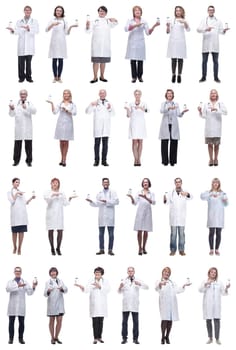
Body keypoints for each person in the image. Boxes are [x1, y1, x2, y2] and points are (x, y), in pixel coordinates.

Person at [155, 267, 191, 344]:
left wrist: (184, 285)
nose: (166, 273)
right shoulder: (159, 281)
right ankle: (162, 337)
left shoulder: (172, 282)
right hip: (164, 303)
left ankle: (167, 336)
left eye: (168, 272)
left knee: (170, 320)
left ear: (169, 274)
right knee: (164, 319)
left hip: (172, 303)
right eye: (165, 271)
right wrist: (161, 284)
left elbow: (177, 290)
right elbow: (157, 288)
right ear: (162, 272)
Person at [75, 267, 110, 344]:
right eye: (96, 272)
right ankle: (95, 338)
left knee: (101, 322)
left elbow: (108, 290)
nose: (97, 274)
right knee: (95, 322)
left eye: (99, 272)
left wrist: (99, 286)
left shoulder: (105, 281)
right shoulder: (91, 280)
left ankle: (100, 337)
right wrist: (81, 287)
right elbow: (87, 290)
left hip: (102, 305)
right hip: (94, 305)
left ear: (102, 274)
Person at [125, 5, 159, 82]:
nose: (137, 11)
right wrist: (136, 25)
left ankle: (140, 76)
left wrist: (154, 26)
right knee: (133, 60)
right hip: (132, 43)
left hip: (140, 43)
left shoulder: (144, 21)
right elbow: (126, 29)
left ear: (141, 12)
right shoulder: (130, 20)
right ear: (133, 12)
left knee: (140, 60)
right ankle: (134, 77)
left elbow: (148, 33)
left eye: (139, 10)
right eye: (135, 10)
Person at [86, 178, 119, 255]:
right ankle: (101, 249)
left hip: (110, 216)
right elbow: (97, 204)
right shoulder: (99, 193)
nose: (106, 183)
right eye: (104, 182)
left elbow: (117, 202)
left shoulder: (113, 192)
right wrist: (91, 201)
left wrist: (107, 201)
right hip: (102, 217)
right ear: (102, 183)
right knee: (101, 234)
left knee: (111, 234)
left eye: (107, 182)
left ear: (109, 183)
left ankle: (110, 250)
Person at [44, 178, 76, 255]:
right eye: (53, 183)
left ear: (59, 184)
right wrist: (53, 194)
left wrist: (70, 198)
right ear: (51, 184)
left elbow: (65, 203)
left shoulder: (62, 192)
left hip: (59, 214)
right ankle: (52, 248)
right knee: (50, 230)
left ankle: (58, 248)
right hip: (51, 214)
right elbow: (47, 200)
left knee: (60, 231)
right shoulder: (47, 192)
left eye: (56, 183)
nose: (55, 184)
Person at [197, 5, 230, 83]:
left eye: (212, 10)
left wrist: (224, 30)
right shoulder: (203, 20)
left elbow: (221, 32)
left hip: (215, 44)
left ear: (214, 11)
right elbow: (198, 30)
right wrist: (206, 29)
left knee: (216, 61)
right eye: (209, 10)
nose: (211, 11)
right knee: (204, 61)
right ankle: (203, 77)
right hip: (206, 44)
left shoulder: (218, 21)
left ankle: (216, 77)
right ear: (207, 11)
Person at [6, 6, 39, 82]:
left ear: (31, 11)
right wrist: (12, 30)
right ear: (24, 11)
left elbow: (37, 31)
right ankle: (21, 78)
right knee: (21, 63)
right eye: (26, 10)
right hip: (21, 45)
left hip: (30, 46)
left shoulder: (34, 21)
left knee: (28, 63)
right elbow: (17, 31)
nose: (27, 11)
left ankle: (28, 77)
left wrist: (28, 29)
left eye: (29, 10)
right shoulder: (19, 21)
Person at [86, 6, 118, 83]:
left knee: (103, 62)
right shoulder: (94, 21)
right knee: (96, 61)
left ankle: (102, 76)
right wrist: (87, 26)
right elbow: (88, 31)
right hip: (96, 45)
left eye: (103, 11)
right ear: (98, 12)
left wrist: (114, 19)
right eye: (100, 11)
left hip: (105, 45)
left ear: (106, 13)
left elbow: (115, 24)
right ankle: (95, 77)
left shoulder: (108, 21)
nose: (101, 12)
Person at [46, 6, 78, 82]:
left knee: (60, 60)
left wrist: (71, 27)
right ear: (55, 11)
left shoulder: (64, 21)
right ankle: (55, 77)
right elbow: (46, 30)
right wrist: (52, 25)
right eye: (57, 10)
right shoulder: (52, 20)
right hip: (54, 42)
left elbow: (67, 33)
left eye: (60, 11)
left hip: (61, 43)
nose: (58, 12)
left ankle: (59, 77)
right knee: (54, 59)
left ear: (62, 12)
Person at [6, 266, 37, 344]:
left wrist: (33, 287)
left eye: (19, 271)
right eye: (16, 271)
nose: (17, 272)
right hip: (12, 306)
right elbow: (7, 289)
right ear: (14, 272)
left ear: (21, 272)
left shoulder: (25, 282)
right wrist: (18, 286)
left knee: (22, 323)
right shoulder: (10, 281)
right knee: (11, 323)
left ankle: (21, 338)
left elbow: (29, 293)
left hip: (21, 306)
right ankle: (11, 338)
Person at [199, 267, 230, 345]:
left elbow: (224, 293)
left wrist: (226, 288)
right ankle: (210, 338)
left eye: (215, 272)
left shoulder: (219, 282)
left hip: (216, 306)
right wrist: (206, 284)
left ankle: (217, 338)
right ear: (209, 273)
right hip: (208, 305)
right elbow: (200, 290)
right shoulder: (205, 281)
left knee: (217, 321)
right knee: (208, 321)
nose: (213, 273)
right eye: (212, 272)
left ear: (216, 274)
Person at [118, 266, 148, 344]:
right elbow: (119, 292)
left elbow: (147, 287)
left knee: (136, 322)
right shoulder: (123, 280)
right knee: (124, 322)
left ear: (134, 272)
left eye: (132, 271)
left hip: (134, 305)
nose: (130, 272)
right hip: (126, 305)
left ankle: (135, 339)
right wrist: (120, 287)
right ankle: (124, 338)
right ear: (127, 272)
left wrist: (140, 284)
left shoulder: (138, 279)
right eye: (129, 271)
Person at [47, 89, 77, 166]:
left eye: (67, 94)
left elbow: (75, 113)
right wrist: (51, 103)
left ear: (70, 95)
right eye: (64, 94)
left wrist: (67, 111)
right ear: (63, 95)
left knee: (66, 141)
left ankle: (64, 159)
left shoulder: (72, 104)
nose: (66, 95)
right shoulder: (60, 103)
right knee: (61, 141)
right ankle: (61, 158)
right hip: (60, 124)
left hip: (68, 124)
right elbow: (54, 112)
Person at [198, 89, 227, 166]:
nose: (213, 94)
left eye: (214, 93)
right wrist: (200, 111)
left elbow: (225, 112)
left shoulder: (220, 103)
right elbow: (204, 116)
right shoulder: (206, 104)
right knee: (210, 144)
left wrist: (216, 109)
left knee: (217, 144)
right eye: (211, 93)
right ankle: (211, 159)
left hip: (217, 127)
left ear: (217, 95)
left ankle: (216, 159)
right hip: (209, 128)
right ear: (210, 95)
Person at [159, 89, 188, 166]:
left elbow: (179, 114)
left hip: (173, 124)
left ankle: (172, 161)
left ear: (172, 95)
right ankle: (165, 161)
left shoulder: (176, 104)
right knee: (164, 143)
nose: (169, 95)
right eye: (168, 94)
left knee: (174, 143)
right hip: (165, 124)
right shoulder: (163, 103)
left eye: (171, 94)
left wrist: (183, 112)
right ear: (166, 95)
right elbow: (161, 111)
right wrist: (168, 108)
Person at [163, 178, 192, 256]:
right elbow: (166, 203)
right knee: (173, 235)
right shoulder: (170, 193)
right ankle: (173, 250)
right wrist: (165, 199)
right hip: (173, 218)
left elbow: (191, 197)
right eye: (176, 182)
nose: (178, 183)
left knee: (182, 234)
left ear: (181, 183)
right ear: (174, 183)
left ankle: (181, 250)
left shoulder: (185, 191)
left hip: (182, 217)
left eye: (179, 182)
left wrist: (187, 194)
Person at [85, 89, 114, 166]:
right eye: (101, 93)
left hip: (106, 128)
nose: (102, 94)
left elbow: (113, 114)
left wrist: (110, 108)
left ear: (106, 94)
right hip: (97, 127)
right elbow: (87, 112)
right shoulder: (95, 103)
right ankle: (96, 161)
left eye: (104, 93)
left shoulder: (109, 103)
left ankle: (104, 161)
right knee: (97, 145)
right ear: (99, 94)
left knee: (105, 145)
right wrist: (91, 105)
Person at [127, 178, 155, 255]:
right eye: (144, 182)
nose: (145, 183)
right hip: (140, 212)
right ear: (142, 184)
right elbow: (135, 203)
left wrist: (145, 197)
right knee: (139, 230)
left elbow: (154, 202)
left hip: (148, 213)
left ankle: (144, 247)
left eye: (146, 182)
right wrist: (131, 197)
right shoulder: (139, 192)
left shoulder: (151, 193)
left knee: (146, 231)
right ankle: (140, 248)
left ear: (149, 183)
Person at [7, 178, 35, 255]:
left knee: (21, 232)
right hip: (15, 216)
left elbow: (25, 202)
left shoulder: (21, 193)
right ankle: (15, 247)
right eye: (16, 182)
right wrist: (16, 194)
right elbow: (12, 201)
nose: (18, 183)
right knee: (14, 232)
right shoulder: (9, 192)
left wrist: (31, 198)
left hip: (22, 216)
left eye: (19, 182)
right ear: (12, 183)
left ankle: (19, 248)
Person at [200, 178, 228, 255]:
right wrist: (211, 194)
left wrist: (225, 200)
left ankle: (217, 249)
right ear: (212, 184)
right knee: (211, 232)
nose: (215, 184)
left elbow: (226, 204)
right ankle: (211, 249)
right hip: (211, 216)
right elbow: (202, 197)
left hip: (219, 217)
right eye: (214, 183)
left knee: (219, 233)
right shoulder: (208, 193)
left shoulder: (223, 193)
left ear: (219, 184)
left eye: (217, 183)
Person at [9, 89, 37, 167]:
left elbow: (34, 111)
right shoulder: (16, 104)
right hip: (19, 128)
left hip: (28, 129)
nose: (23, 95)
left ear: (26, 95)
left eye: (24, 94)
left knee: (28, 146)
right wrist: (11, 109)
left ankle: (29, 161)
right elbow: (11, 115)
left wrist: (26, 108)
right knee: (17, 145)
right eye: (21, 94)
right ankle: (16, 161)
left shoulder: (29, 103)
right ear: (19, 95)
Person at [124, 89, 149, 166]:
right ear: (134, 95)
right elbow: (128, 115)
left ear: (140, 95)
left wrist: (142, 108)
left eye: (138, 94)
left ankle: (139, 159)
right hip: (134, 123)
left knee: (140, 141)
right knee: (134, 141)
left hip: (141, 124)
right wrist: (127, 109)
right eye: (136, 94)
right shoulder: (131, 104)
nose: (137, 95)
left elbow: (147, 111)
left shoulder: (144, 103)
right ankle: (135, 159)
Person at [166, 6, 190, 83]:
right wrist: (167, 27)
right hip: (173, 42)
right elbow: (167, 32)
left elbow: (188, 29)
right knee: (173, 59)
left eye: (179, 10)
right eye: (176, 10)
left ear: (182, 12)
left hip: (181, 42)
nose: (178, 12)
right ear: (175, 12)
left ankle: (179, 75)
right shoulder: (171, 20)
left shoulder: (184, 20)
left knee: (180, 59)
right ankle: (173, 74)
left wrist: (185, 23)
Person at [44, 267, 68, 344]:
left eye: (54, 272)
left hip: (60, 304)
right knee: (52, 321)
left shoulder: (60, 281)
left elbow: (66, 290)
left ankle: (56, 337)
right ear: (50, 273)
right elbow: (44, 294)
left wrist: (62, 289)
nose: (53, 273)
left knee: (60, 321)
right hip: (52, 304)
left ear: (57, 273)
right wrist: (48, 291)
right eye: (52, 272)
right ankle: (52, 338)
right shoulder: (48, 282)